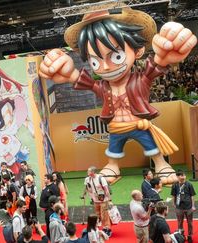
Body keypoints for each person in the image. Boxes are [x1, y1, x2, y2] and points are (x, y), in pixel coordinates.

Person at [39, 4, 196, 186]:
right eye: (95, 61)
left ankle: (161, 164)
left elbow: (153, 68)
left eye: (116, 57)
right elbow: (88, 83)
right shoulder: (103, 87)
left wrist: (165, 56)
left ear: (138, 51)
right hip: (115, 127)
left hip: (138, 124)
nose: (105, 67)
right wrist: (69, 74)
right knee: (113, 150)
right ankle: (113, 166)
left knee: (152, 147)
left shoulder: (139, 80)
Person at [83, 166, 112, 236]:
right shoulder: (87, 179)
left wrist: (109, 200)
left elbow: (106, 190)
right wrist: (84, 194)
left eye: (89, 171)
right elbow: (86, 187)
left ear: (93, 172)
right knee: (97, 215)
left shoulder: (101, 179)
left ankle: (107, 229)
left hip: (103, 200)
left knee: (104, 215)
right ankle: (97, 228)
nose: (87, 172)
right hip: (95, 200)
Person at [171, 170, 195, 242]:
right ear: (177, 177)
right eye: (181, 175)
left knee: (190, 222)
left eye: (184, 175)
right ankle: (181, 235)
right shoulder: (175, 185)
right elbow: (173, 195)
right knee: (180, 222)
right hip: (179, 207)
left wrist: (193, 206)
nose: (183, 177)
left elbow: (192, 196)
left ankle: (190, 235)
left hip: (189, 207)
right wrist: (174, 204)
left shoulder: (189, 184)